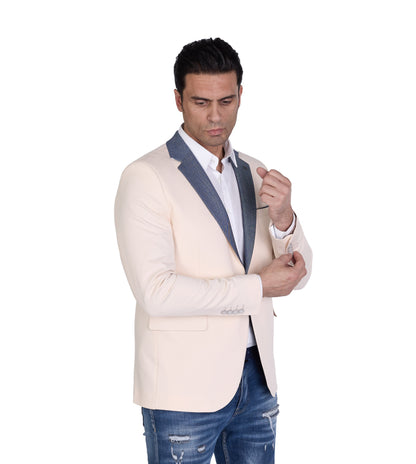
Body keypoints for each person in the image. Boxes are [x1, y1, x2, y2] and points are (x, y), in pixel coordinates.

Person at [114, 37, 312, 464]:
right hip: (182, 388)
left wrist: (284, 218)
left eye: (226, 101)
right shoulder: (146, 176)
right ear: (178, 100)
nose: (216, 116)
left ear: (241, 94)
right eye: (201, 102)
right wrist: (257, 287)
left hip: (257, 378)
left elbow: (300, 273)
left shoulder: (254, 170)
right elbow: (156, 293)